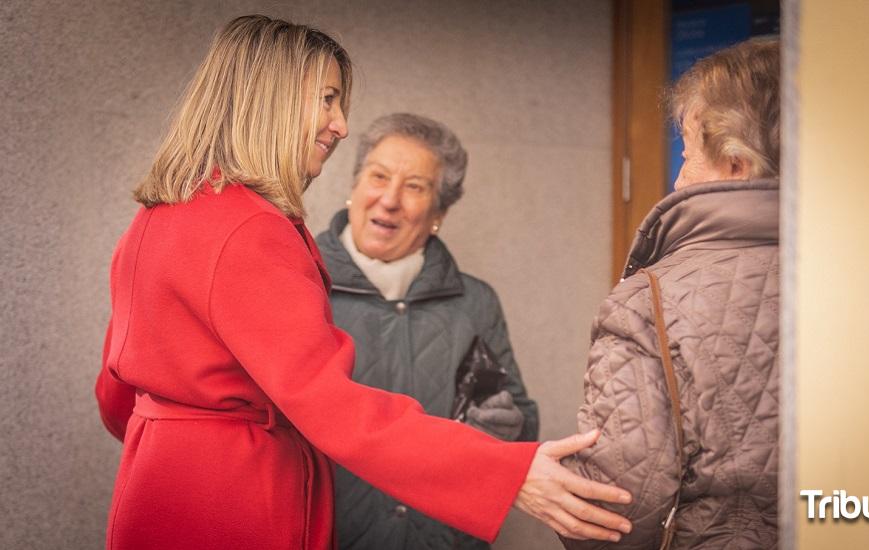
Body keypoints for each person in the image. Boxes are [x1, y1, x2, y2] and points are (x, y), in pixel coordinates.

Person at [93, 15, 633, 550]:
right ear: (272, 99)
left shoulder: (159, 215)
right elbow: (333, 407)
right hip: (233, 502)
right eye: (327, 99)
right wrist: (504, 474)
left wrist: (181, 439)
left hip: (160, 490)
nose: (341, 124)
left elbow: (117, 398)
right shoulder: (253, 229)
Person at [562, 37, 780, 550]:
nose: (678, 179)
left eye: (686, 154)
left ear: (735, 164)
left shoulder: (649, 305)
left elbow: (613, 514)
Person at [314, 113, 538, 550]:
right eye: (378, 177)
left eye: (415, 186)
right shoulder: (303, 284)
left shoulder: (474, 302)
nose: (390, 200)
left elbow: (522, 420)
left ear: (439, 213)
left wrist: (508, 427)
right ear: (355, 186)